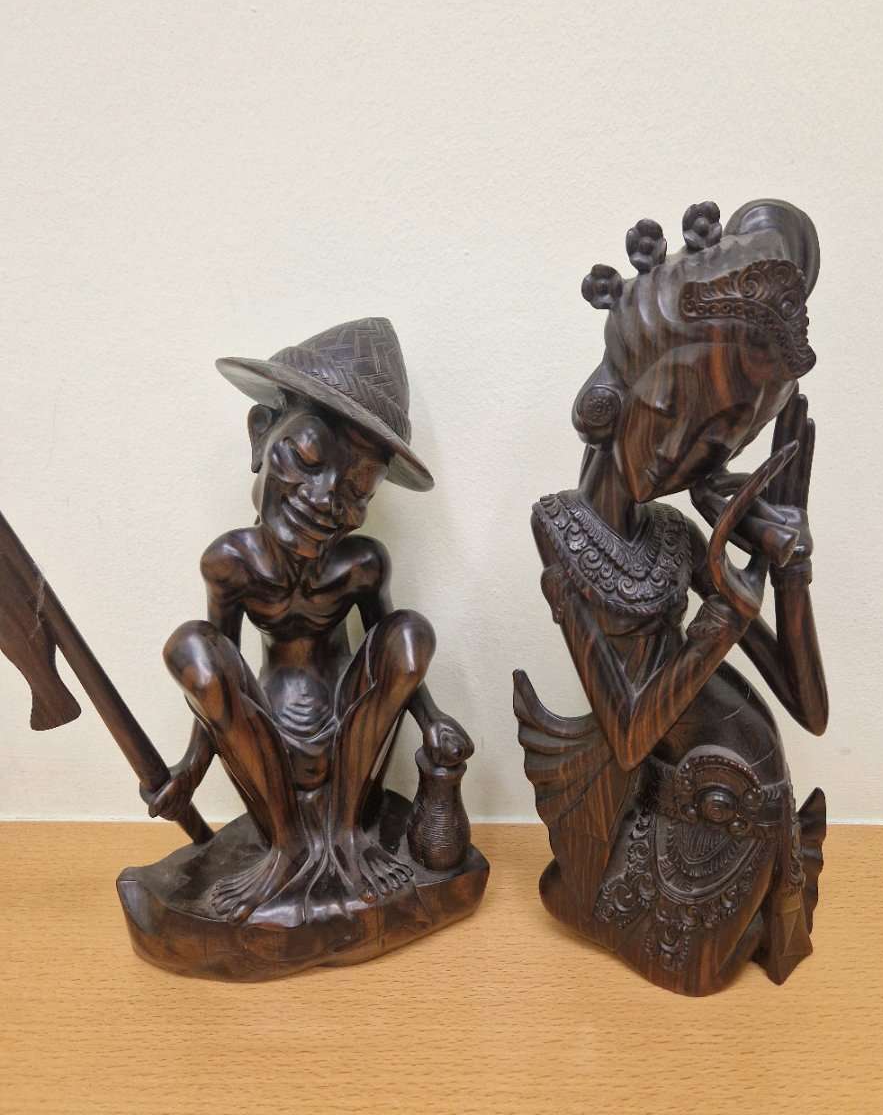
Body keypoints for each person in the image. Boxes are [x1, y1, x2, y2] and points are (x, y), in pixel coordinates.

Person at [515, 200, 828, 995]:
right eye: (669, 414)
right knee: (699, 973)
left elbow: (808, 707)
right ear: (608, 399)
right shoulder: (561, 530)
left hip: (743, 809)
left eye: (715, 444)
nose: (683, 454)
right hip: (696, 813)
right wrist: (712, 634)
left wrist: (789, 567)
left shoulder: (675, 536)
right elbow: (628, 736)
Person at [145, 317, 472, 923]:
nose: (324, 499)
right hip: (266, 747)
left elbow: (394, 660)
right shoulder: (230, 563)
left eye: (358, 490)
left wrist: (433, 720)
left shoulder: (361, 564)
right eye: (305, 456)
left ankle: (347, 838)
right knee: (192, 645)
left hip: (352, 744)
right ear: (260, 434)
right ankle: (287, 848)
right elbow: (216, 683)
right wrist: (190, 769)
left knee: (409, 631)